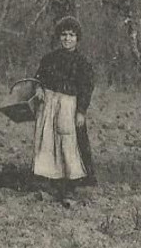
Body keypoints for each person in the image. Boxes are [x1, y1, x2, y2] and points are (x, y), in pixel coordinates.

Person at [31, 15, 97, 201]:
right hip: (49, 106)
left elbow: (86, 89)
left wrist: (81, 111)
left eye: (72, 35)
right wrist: (38, 89)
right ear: (59, 37)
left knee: (69, 143)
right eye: (64, 35)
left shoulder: (83, 64)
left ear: (77, 38)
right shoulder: (49, 59)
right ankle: (49, 182)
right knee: (48, 142)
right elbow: (38, 78)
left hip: (69, 106)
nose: (67, 39)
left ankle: (72, 185)